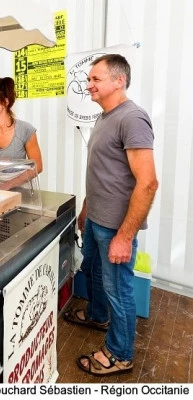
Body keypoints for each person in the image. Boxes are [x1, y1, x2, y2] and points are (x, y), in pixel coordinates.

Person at [63, 54, 158, 376]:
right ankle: (97, 315)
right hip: (96, 218)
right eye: (88, 79)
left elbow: (148, 183)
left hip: (115, 227)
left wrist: (125, 237)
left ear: (119, 81)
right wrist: (86, 208)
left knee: (119, 290)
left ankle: (120, 354)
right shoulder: (104, 117)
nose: (88, 85)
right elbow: (102, 172)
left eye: (95, 79)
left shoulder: (133, 118)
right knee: (94, 272)